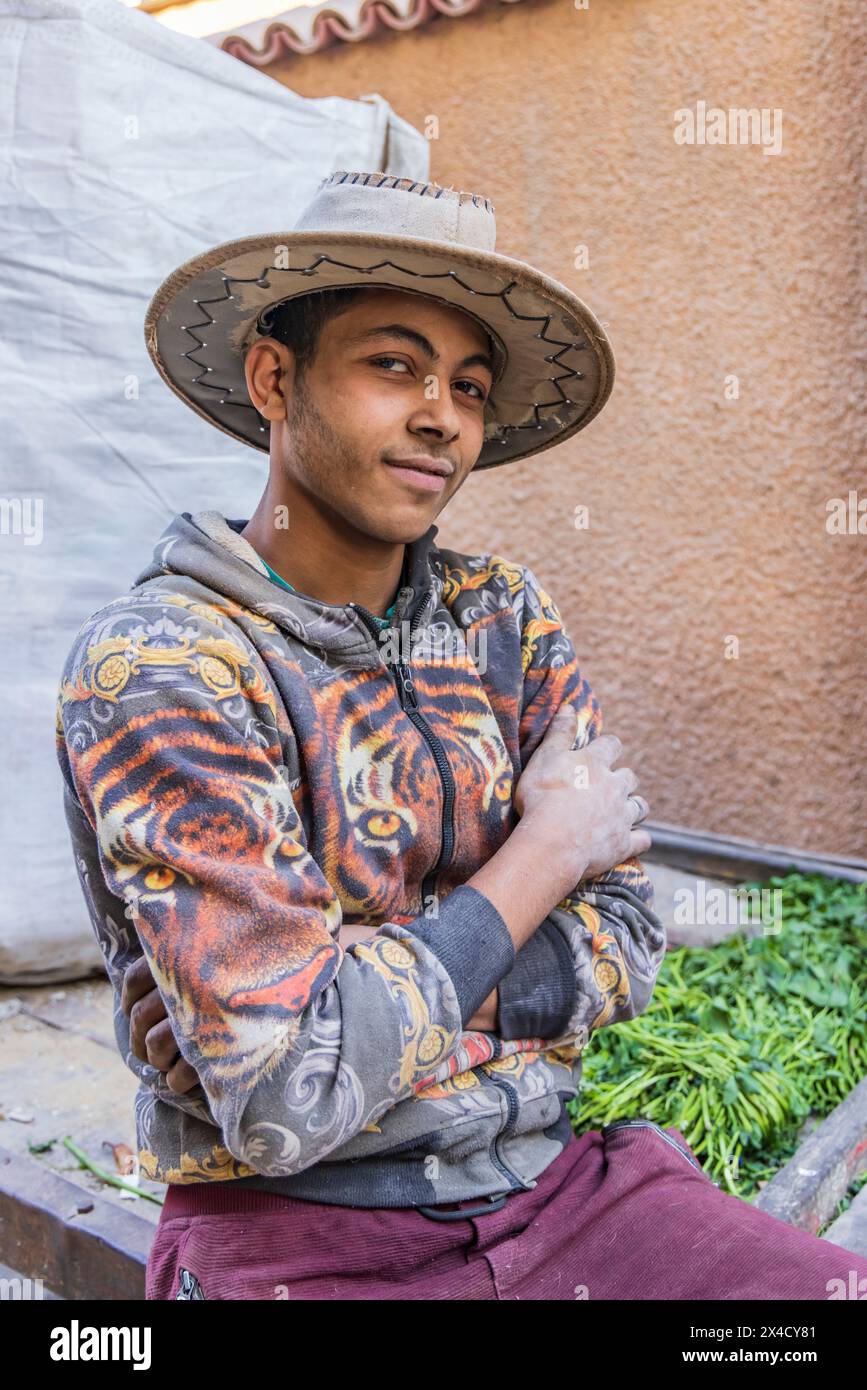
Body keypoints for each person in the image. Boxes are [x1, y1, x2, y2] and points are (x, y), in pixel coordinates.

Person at [55, 170, 867, 1300]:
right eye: (394, 365)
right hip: (303, 1232)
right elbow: (288, 1097)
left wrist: (339, 989)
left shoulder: (505, 620)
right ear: (275, 378)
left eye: (469, 384)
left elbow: (629, 938)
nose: (441, 413)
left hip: (561, 1189)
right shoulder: (166, 665)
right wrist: (547, 852)